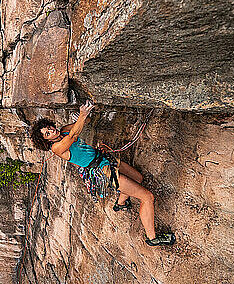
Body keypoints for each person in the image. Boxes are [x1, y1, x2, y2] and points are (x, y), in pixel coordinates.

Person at [30, 100, 175, 246]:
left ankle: (121, 203)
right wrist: (81, 115)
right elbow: (73, 137)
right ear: (46, 140)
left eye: (48, 128)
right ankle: (152, 238)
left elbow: (84, 122)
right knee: (147, 197)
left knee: (138, 177)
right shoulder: (56, 148)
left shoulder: (63, 130)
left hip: (105, 159)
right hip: (101, 170)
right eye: (47, 133)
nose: (51, 131)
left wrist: (84, 116)